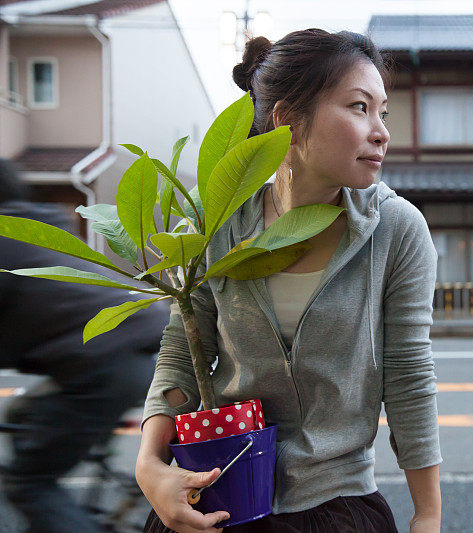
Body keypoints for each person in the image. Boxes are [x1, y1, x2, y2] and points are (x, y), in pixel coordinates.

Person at [135, 29, 443, 533]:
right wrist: (149, 467)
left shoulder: (396, 230)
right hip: (218, 493)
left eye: (382, 113)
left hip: (338, 505)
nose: (381, 131)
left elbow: (409, 376)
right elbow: (181, 351)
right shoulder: (215, 226)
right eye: (359, 107)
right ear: (287, 120)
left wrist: (427, 515)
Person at [0, 158, 171, 532]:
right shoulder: (35, 230)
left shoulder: (4, 242)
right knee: (20, 415)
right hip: (135, 348)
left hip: (99, 366)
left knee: (29, 482)